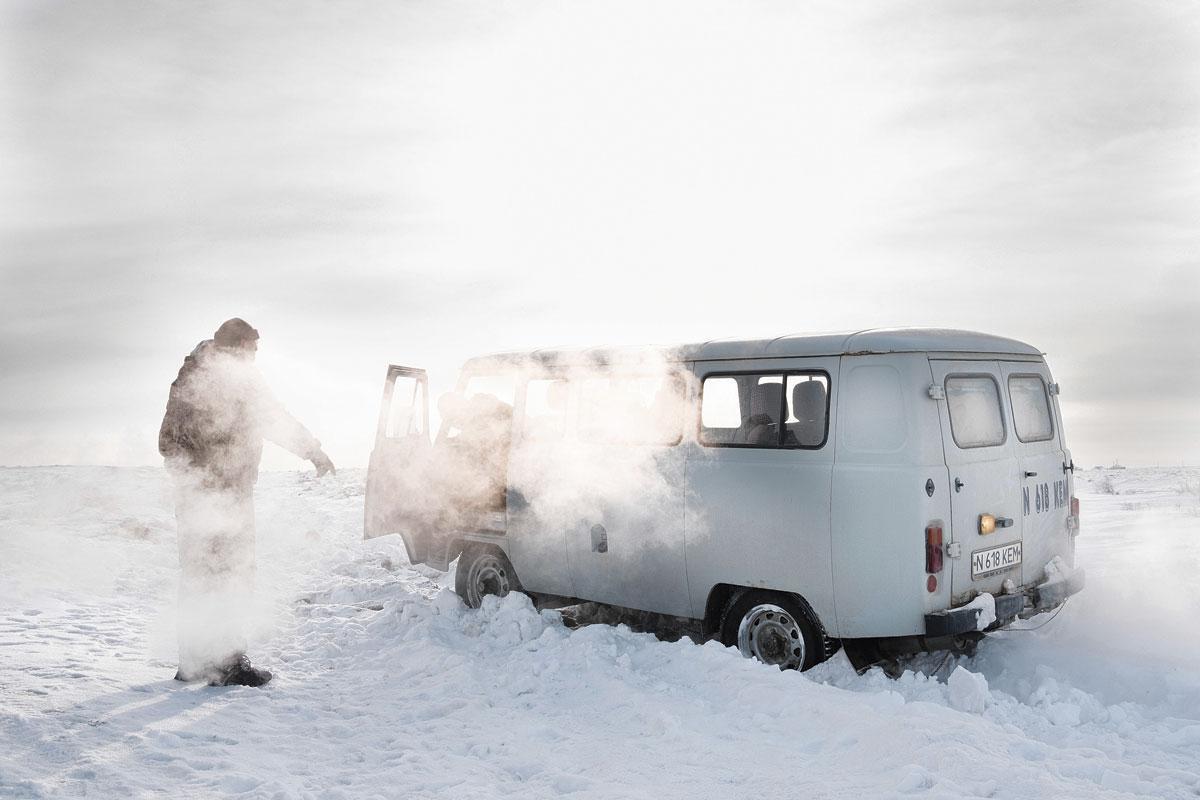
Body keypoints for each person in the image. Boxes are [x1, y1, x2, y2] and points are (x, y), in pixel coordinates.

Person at [158, 318, 335, 687]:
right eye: (253, 348)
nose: (255, 356)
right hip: (219, 494)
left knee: (200, 577)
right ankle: (226, 663)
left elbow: (168, 442)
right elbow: (272, 418)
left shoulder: (193, 372)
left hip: (203, 494)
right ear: (238, 345)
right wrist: (314, 453)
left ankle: (194, 663)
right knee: (228, 575)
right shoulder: (222, 377)